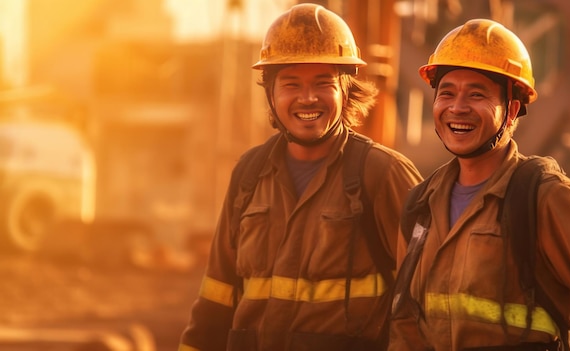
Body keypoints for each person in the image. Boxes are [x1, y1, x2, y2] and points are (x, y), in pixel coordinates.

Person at [178, 3, 422, 351]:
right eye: (291, 84)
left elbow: (422, 302)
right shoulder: (249, 174)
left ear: (345, 90)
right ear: (271, 94)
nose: (308, 98)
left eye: (323, 83)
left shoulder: (383, 174)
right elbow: (216, 299)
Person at [388, 18, 570, 350]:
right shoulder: (420, 205)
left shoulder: (545, 197)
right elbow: (406, 325)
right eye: (447, 93)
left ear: (512, 109)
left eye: (476, 94)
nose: (457, 107)